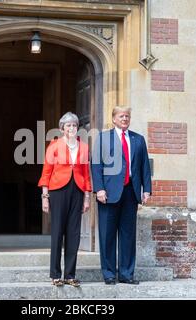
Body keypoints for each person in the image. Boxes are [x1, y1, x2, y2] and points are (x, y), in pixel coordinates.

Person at [91, 106, 152, 285]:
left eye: (127, 116)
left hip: (131, 193)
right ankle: (109, 274)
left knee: (127, 236)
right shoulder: (103, 138)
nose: (125, 119)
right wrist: (99, 189)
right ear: (114, 119)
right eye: (121, 116)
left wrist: (146, 189)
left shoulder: (138, 140)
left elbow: (144, 168)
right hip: (108, 194)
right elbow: (96, 166)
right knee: (107, 235)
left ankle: (126, 274)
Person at [38, 112, 92, 287]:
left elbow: (86, 174)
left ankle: (70, 274)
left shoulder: (83, 147)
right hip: (57, 191)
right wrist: (45, 197)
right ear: (62, 128)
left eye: (74, 125)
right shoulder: (53, 146)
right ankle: (55, 274)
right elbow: (46, 172)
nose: (71, 128)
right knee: (58, 232)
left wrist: (87, 197)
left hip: (77, 190)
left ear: (77, 128)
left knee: (74, 234)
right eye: (68, 126)